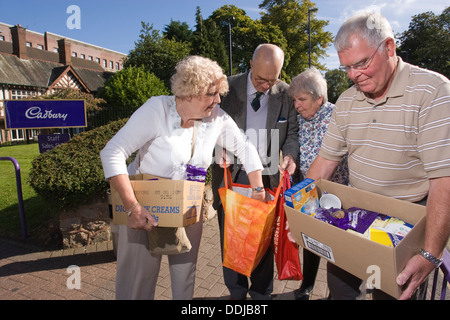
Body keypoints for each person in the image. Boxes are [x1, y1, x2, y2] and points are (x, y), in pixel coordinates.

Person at [305, 11, 450, 300]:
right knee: (341, 293)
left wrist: (430, 254)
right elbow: (324, 163)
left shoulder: (434, 92)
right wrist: (300, 214)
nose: (353, 75)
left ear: (389, 47)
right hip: (353, 219)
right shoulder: (346, 101)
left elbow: (443, 181)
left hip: (405, 228)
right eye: (346, 67)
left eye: (361, 63)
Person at [100, 55, 266, 300]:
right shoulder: (157, 109)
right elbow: (112, 152)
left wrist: (258, 190)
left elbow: (245, 148)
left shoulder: (217, 117)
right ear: (189, 92)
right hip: (143, 205)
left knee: (185, 275)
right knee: (137, 281)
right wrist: (132, 206)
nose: (218, 100)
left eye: (219, 93)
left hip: (188, 206)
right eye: (211, 94)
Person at [211, 43, 299, 300]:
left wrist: (290, 154)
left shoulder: (284, 93)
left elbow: (291, 133)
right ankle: (236, 292)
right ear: (250, 65)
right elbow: (207, 124)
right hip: (231, 174)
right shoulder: (226, 87)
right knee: (232, 238)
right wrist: (217, 149)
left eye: (273, 79)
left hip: (268, 176)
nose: (266, 85)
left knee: (262, 238)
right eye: (261, 79)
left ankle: (261, 293)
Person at [289, 67, 349, 300]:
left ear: (319, 98)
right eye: (294, 100)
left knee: (339, 246)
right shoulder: (298, 121)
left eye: (302, 99)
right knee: (310, 241)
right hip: (308, 191)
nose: (297, 105)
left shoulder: (338, 117)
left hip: (338, 193)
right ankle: (307, 285)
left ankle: (338, 291)